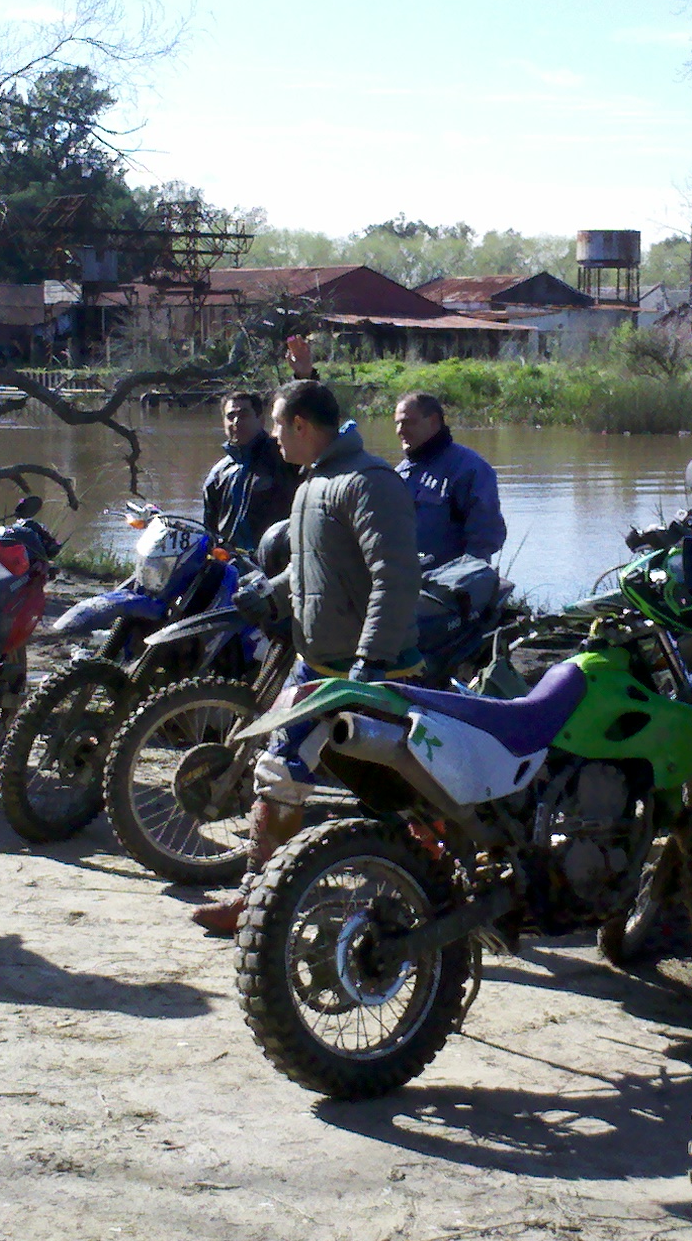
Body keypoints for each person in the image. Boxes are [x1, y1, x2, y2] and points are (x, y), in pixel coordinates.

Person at [192, 377, 418, 936]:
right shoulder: (313, 484)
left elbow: (395, 576)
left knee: (406, 793)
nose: (271, 435)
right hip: (317, 663)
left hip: (370, 670)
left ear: (300, 425)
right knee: (278, 773)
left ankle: (434, 894)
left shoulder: (369, 482)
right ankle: (258, 897)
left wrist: (372, 659)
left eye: (275, 424)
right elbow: (315, 567)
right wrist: (272, 590)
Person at [393, 392, 505, 565]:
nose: (400, 431)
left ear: (433, 421)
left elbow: (486, 537)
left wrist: (461, 581)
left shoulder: (469, 469)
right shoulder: (399, 474)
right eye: (398, 424)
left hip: (452, 585)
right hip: (405, 583)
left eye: (408, 422)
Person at [200, 389, 299, 555]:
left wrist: (303, 376)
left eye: (244, 415)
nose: (236, 421)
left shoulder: (284, 456)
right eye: (230, 416)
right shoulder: (218, 474)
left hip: (276, 561)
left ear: (261, 420)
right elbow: (209, 531)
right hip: (232, 565)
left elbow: (305, 423)